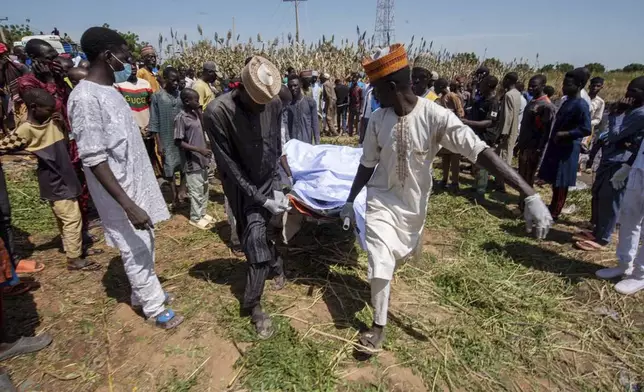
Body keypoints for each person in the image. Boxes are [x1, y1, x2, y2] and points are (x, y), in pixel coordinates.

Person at [340, 43, 552, 352]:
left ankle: (381, 295)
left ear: (392, 86)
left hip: (413, 205)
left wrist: (529, 193)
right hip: (382, 200)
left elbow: (480, 152)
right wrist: (350, 200)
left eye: (375, 88)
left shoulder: (436, 117)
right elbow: (366, 164)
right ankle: (379, 325)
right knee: (379, 259)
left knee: (392, 259)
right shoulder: (377, 119)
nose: (373, 95)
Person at [68, 26, 183, 328]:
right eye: (124, 56)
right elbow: (94, 158)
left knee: (146, 239)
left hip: (135, 183)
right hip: (119, 191)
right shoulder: (85, 99)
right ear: (107, 56)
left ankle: (141, 293)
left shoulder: (111, 92)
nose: (129, 62)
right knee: (135, 246)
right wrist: (127, 204)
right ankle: (155, 307)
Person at [203, 55, 288, 339]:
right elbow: (228, 165)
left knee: (261, 237)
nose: (262, 106)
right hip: (241, 187)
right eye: (257, 102)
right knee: (254, 242)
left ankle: (275, 264)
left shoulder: (273, 102)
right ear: (242, 91)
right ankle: (254, 305)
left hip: (267, 180)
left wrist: (276, 185)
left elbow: (274, 143)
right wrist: (259, 198)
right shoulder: (217, 112)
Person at [0, 88, 99, 271]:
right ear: (33, 107)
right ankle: (74, 258)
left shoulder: (51, 122)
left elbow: (66, 143)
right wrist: (27, 152)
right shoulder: (26, 130)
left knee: (68, 218)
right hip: (55, 182)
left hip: (65, 178)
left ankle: (75, 249)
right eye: (47, 109)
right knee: (71, 219)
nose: (52, 112)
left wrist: (61, 125)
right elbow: (4, 146)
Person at [575, 78, 644, 252]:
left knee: (610, 199)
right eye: (628, 90)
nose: (628, 95)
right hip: (610, 157)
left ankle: (603, 238)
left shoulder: (639, 114)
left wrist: (615, 114)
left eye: (634, 91)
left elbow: (615, 135)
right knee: (598, 193)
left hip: (620, 162)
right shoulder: (633, 111)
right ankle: (597, 230)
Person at [538, 69, 592, 221]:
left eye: (568, 85)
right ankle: (552, 206)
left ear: (579, 85)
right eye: (564, 84)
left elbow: (586, 128)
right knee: (555, 180)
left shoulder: (581, 105)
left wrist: (566, 134)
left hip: (567, 149)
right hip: (558, 147)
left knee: (562, 182)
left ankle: (555, 212)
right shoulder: (568, 102)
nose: (563, 87)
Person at [174, 88, 214, 230]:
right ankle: (195, 217)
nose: (198, 102)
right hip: (192, 161)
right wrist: (199, 150)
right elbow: (178, 142)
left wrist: (199, 112)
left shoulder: (195, 115)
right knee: (196, 191)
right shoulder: (181, 118)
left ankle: (202, 213)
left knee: (204, 188)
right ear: (186, 101)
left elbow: (204, 127)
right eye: (195, 100)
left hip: (202, 159)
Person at [114, 60, 162, 177]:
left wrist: (151, 123)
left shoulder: (145, 83)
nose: (133, 68)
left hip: (147, 126)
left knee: (150, 153)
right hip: (131, 127)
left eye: (133, 65)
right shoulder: (118, 85)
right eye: (128, 66)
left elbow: (151, 104)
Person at [515, 75, 555, 211]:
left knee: (528, 179)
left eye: (534, 86)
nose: (530, 88)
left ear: (543, 86)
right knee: (522, 177)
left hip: (533, 149)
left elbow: (545, 132)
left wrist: (539, 151)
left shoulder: (545, 106)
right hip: (525, 146)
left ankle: (525, 206)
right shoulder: (533, 101)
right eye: (530, 85)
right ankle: (521, 203)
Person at [150, 67, 186, 209]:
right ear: (165, 79)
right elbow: (154, 121)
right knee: (169, 167)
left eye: (177, 80)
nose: (176, 83)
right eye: (173, 80)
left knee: (184, 166)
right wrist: (159, 143)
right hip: (166, 137)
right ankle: (174, 196)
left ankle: (183, 192)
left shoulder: (181, 95)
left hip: (181, 137)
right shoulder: (157, 97)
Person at [461, 75, 501, 196]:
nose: (480, 86)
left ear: (489, 86)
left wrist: (469, 122)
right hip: (477, 134)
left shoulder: (493, 102)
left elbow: (489, 122)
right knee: (475, 161)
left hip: (486, 137)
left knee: (483, 163)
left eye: (482, 84)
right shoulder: (482, 99)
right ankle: (476, 185)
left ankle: (481, 190)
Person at [435, 78, 465, 190]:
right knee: (445, 157)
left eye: (437, 86)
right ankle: (444, 179)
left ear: (441, 86)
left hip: (453, 132)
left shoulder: (453, 96)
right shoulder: (441, 98)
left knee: (455, 158)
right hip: (445, 132)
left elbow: (460, 112)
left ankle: (455, 182)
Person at [495, 72, 523, 192]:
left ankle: (501, 184)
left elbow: (507, 116)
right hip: (514, 130)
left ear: (507, 80)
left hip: (507, 131)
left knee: (503, 156)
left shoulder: (508, 95)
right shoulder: (517, 94)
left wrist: (502, 133)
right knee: (508, 155)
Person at [286, 75, 320, 145]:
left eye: (295, 85)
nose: (293, 88)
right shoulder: (287, 105)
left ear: (301, 85)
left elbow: (315, 124)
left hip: (306, 143)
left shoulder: (310, 102)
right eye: (290, 86)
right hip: (293, 144)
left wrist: (317, 143)